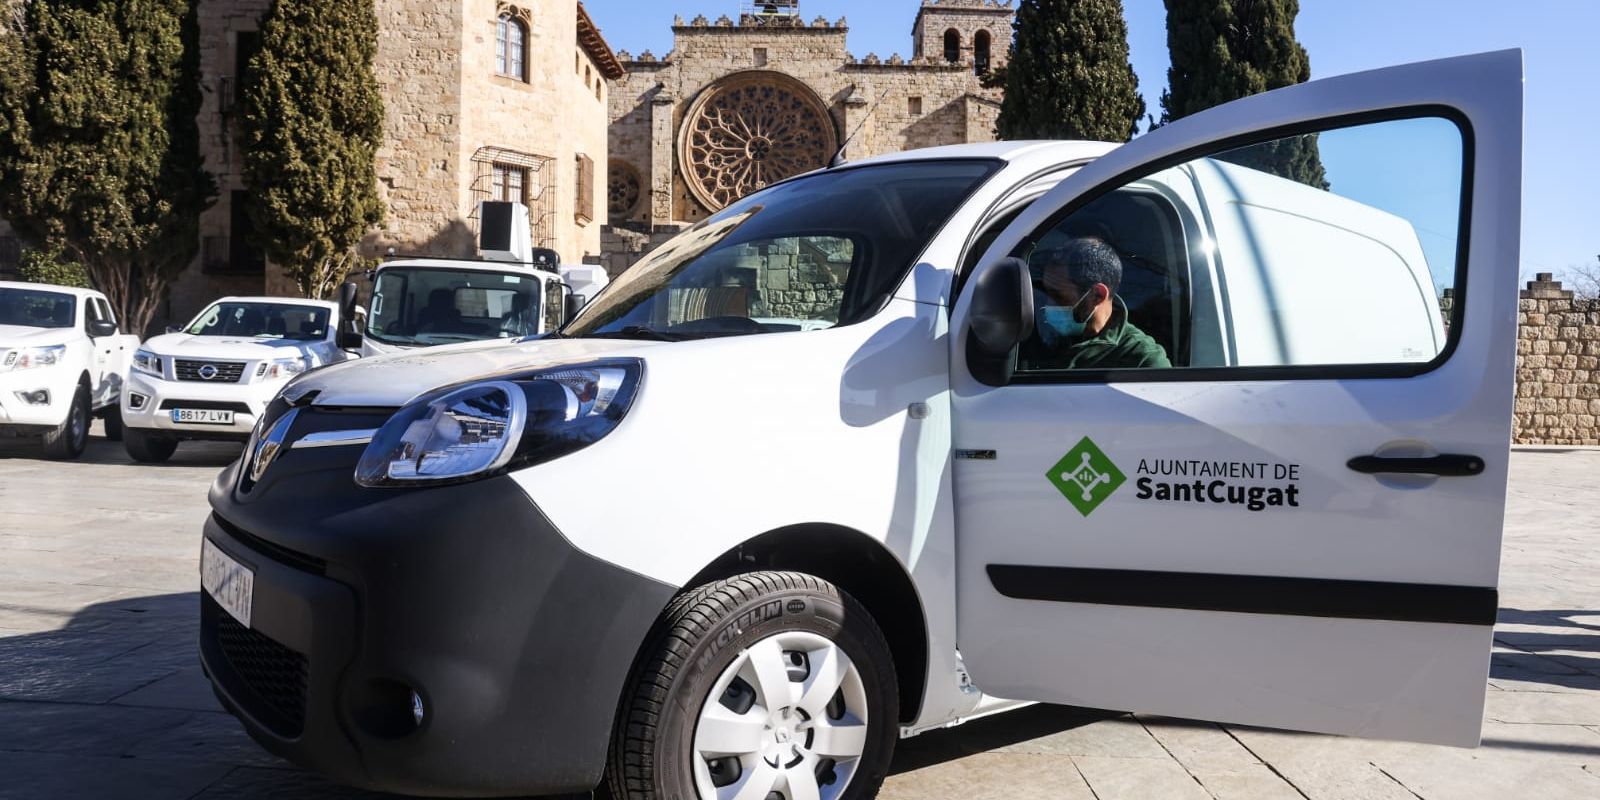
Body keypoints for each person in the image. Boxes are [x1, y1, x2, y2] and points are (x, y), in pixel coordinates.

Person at [1022, 236, 1171, 370]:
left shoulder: (1141, 359)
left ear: (1097, 295)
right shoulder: (1038, 333)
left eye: (1059, 296)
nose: (1048, 305)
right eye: (1046, 293)